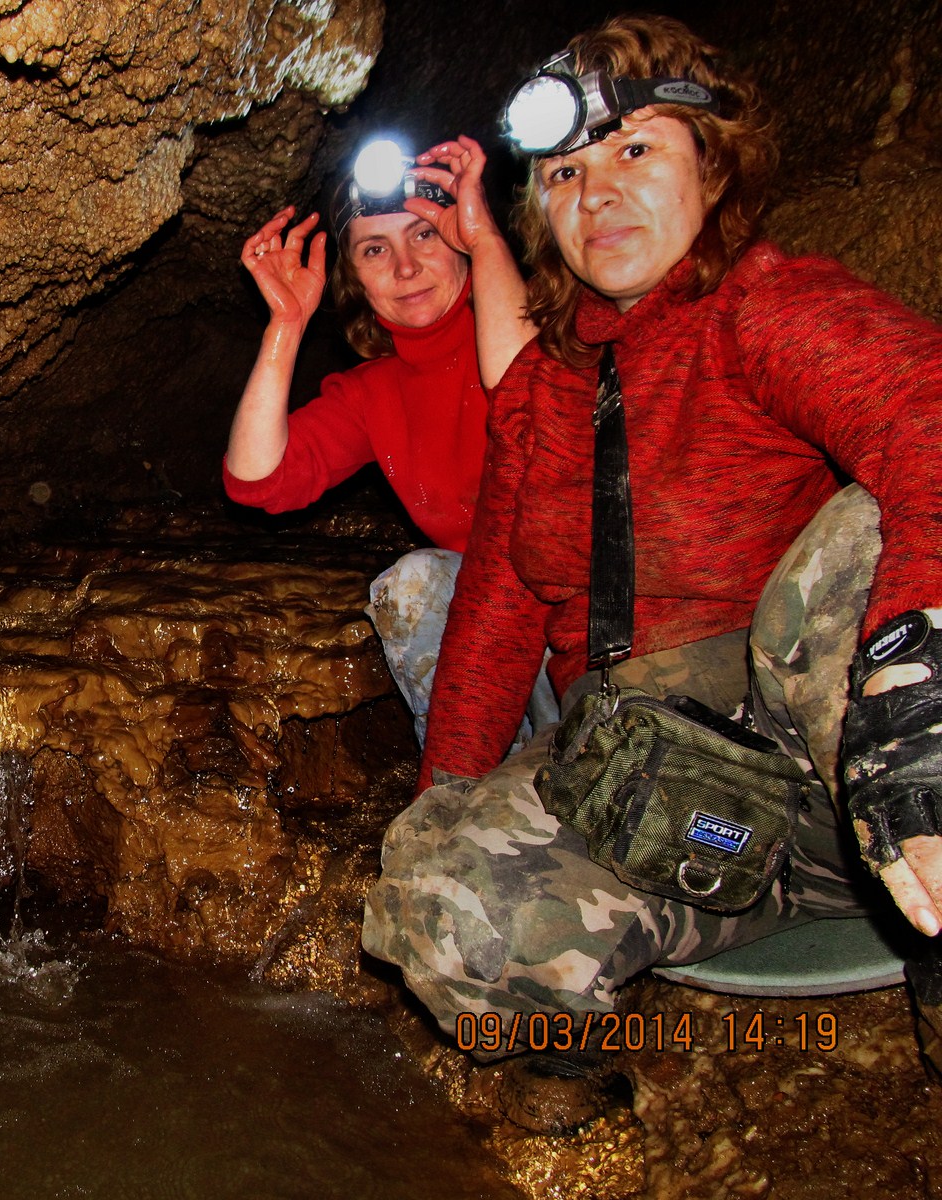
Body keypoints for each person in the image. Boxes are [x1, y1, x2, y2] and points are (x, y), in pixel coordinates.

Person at [361, 13, 942, 1133]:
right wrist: (450, 804)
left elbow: (927, 412)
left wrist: (915, 693)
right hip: (653, 796)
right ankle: (590, 1075)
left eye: (636, 150)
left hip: (837, 767)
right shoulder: (537, 390)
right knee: (430, 888)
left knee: (856, 546)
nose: (599, 194)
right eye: (565, 173)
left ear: (711, 167)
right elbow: (495, 611)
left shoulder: (762, 307)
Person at [223, 135, 553, 748]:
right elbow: (256, 481)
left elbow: (530, 403)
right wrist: (286, 324)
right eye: (375, 249)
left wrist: (486, 241)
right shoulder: (374, 392)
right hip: (497, 617)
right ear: (355, 278)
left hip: (593, 602)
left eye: (424, 234)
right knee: (413, 584)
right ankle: (474, 777)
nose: (405, 268)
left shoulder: (552, 320)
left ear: (461, 237)